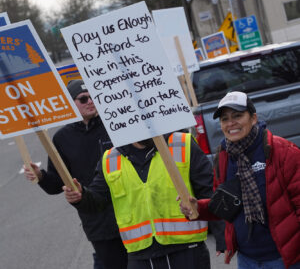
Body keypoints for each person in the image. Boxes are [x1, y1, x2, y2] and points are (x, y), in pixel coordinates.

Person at [63, 132, 226, 269]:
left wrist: (222, 233)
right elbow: (96, 202)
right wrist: (81, 197)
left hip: (187, 250)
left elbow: (208, 191)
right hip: (140, 257)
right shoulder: (110, 159)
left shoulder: (181, 143)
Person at [179, 91, 300, 269]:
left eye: (237, 116)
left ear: (253, 118)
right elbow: (225, 206)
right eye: (225, 119)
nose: (231, 123)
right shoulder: (223, 157)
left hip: (286, 259)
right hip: (247, 259)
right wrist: (198, 207)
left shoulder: (283, 151)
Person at [24, 79, 127, 269]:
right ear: (71, 104)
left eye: (92, 97)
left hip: (133, 214)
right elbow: (57, 184)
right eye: (83, 98)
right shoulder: (62, 138)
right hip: (99, 223)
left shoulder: (115, 124)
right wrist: (41, 176)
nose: (90, 101)